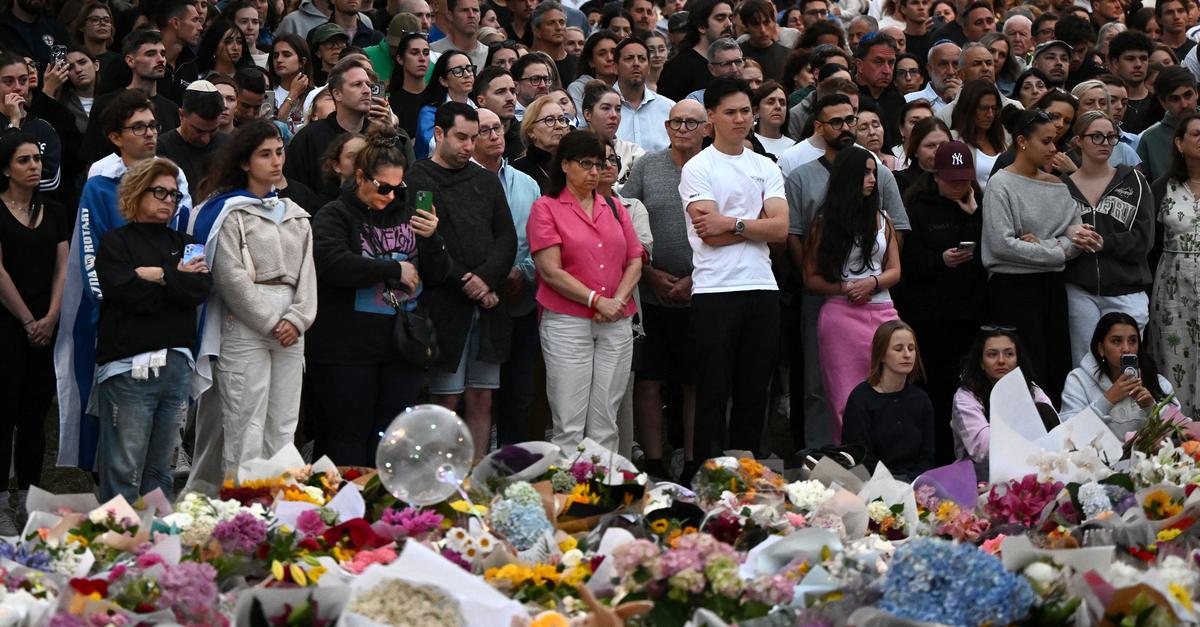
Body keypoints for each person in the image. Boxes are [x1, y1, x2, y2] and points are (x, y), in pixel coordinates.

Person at [55, 89, 192, 472]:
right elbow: (92, 261)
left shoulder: (174, 179)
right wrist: (131, 295)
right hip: (115, 321)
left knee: (159, 451)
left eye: (153, 125)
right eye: (138, 127)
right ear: (116, 137)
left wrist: (165, 282)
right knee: (117, 436)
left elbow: (187, 256)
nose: (150, 134)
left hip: (167, 324)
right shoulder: (101, 185)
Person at [307, 131, 449, 465]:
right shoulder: (334, 214)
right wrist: (392, 270)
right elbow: (331, 263)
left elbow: (439, 274)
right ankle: (350, 510)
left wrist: (431, 240)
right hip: (348, 350)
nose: (390, 195)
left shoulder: (409, 212)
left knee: (392, 437)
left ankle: (389, 512)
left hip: (403, 347)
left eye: (397, 188)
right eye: (382, 187)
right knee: (350, 435)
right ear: (359, 177)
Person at [193, 120, 316, 471]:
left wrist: (297, 319)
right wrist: (269, 321)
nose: (276, 161)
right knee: (245, 423)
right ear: (245, 163)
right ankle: (243, 511)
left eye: (279, 152)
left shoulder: (295, 215)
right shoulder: (227, 212)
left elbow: (307, 274)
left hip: (292, 324)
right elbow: (229, 275)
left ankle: (283, 506)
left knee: (283, 423)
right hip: (246, 325)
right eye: (265, 155)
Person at [680, 77, 788, 469]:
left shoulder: (765, 166)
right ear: (711, 117)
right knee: (712, 390)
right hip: (715, 290)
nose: (741, 119)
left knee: (754, 390)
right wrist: (754, 223)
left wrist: (733, 224)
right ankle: (706, 475)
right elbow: (709, 236)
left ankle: (746, 474)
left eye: (746, 111)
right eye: (731, 112)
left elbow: (779, 231)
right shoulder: (698, 167)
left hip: (762, 287)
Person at [93, 157, 210, 501]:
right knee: (123, 469)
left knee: (163, 471)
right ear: (136, 192)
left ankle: (156, 550)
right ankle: (116, 545)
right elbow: (125, 293)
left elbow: (199, 291)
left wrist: (153, 275)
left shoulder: (187, 240)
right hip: (128, 368)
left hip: (175, 368)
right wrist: (173, 277)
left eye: (174, 195)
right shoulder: (115, 242)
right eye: (160, 192)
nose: (168, 200)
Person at [406, 103, 517, 460]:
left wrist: (485, 279)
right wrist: (466, 281)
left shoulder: (485, 179)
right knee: (445, 399)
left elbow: (506, 238)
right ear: (439, 134)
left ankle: (476, 475)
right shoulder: (419, 178)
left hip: (487, 303)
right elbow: (424, 241)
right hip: (444, 305)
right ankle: (440, 476)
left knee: (482, 395)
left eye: (475, 137)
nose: (470, 146)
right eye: (462, 137)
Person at [528, 130, 642, 452]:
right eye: (586, 164)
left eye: (600, 164)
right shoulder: (546, 207)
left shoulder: (615, 207)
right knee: (569, 423)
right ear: (564, 165)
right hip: (567, 322)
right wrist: (596, 300)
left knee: (606, 421)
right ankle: (569, 498)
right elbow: (550, 270)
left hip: (616, 319)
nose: (595, 172)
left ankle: (601, 496)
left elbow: (635, 259)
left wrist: (616, 301)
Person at [981, 109, 1103, 405]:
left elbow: (1075, 237)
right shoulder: (1001, 184)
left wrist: (1047, 247)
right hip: (1012, 290)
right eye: (1047, 141)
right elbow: (1001, 245)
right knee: (1021, 371)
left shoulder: (1059, 186)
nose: (1053, 149)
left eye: (1055, 142)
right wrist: (1057, 249)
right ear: (1022, 141)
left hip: (1052, 288)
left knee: (1055, 366)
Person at [894, 140, 985, 463]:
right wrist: (940, 260)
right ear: (935, 175)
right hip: (929, 315)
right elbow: (907, 262)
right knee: (934, 390)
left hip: (969, 312)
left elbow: (991, 252)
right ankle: (936, 456)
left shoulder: (979, 202)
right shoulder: (916, 205)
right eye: (953, 180)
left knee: (968, 389)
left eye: (965, 179)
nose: (960, 186)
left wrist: (976, 216)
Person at [803, 146, 901, 438]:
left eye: (874, 172)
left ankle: (890, 463)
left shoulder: (883, 220)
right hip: (840, 314)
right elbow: (810, 278)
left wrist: (873, 283)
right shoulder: (823, 223)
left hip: (883, 310)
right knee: (844, 398)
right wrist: (844, 287)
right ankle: (851, 462)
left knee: (889, 390)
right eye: (865, 173)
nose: (872, 179)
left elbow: (895, 270)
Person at [0, 132, 66, 533]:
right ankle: (2, 502)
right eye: (24, 160)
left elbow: (63, 267)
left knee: (35, 414)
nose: (34, 166)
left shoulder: (55, 210)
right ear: (6, 168)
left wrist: (52, 316)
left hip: (47, 322)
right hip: (9, 323)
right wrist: (27, 320)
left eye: (37, 160)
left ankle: (29, 497)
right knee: (4, 412)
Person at [471, 108, 540, 446]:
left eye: (498, 128)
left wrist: (523, 272)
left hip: (520, 300)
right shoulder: (461, 182)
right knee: (478, 396)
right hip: (475, 302)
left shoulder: (527, 184)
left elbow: (541, 240)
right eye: (485, 130)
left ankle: (513, 470)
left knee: (519, 394)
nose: (495, 135)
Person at [1062, 111, 1153, 366]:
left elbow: (1144, 240)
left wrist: (1104, 242)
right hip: (1081, 290)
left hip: (1127, 289)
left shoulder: (1134, 182)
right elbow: (1052, 231)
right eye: (1096, 137)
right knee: (1085, 366)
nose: (1105, 143)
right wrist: (1070, 234)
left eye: (1111, 137)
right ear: (1078, 140)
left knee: (1126, 366)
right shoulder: (1062, 186)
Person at [285, 57, 412, 201]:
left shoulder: (383, 135)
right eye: (357, 85)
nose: (366, 91)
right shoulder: (309, 137)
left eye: (368, 85)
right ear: (337, 94)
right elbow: (295, 190)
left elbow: (401, 189)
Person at [951, 327, 1052, 479]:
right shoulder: (966, 396)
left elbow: (1054, 430)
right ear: (981, 362)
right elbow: (984, 449)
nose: (1001, 360)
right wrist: (1028, 429)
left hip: (1031, 470)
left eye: (1009, 354)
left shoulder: (1032, 390)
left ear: (1017, 360)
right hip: (980, 476)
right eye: (992, 354)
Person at [1151, 113, 1200, 417]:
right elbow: (1149, 243)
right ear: (1179, 144)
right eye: (1195, 134)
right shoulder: (1162, 187)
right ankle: (1178, 431)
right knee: (1175, 354)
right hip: (1173, 287)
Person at [841, 320, 934, 481]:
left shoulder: (920, 399)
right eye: (898, 349)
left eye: (911, 349)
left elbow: (927, 455)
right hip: (872, 484)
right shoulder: (861, 398)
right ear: (882, 354)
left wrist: (914, 481)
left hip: (916, 485)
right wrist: (893, 482)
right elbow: (859, 456)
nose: (907, 354)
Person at [1061, 312, 1175, 438]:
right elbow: (1067, 435)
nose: (1126, 349)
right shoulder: (1078, 381)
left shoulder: (1157, 382)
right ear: (1101, 348)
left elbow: (1180, 432)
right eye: (1117, 341)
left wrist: (1151, 408)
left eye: (1133, 341)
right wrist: (1107, 399)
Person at [0, 53, 62, 193]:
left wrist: (9, 180)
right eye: (8, 81)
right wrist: (14, 123)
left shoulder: (43, 128)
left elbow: (52, 181)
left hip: (38, 208)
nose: (17, 87)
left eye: (23, 80)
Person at [157, 81, 228, 194]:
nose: (206, 139)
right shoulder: (161, 149)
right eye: (199, 131)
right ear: (181, 115)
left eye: (213, 131)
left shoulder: (230, 146)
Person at [657, 0, 734, 101]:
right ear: (701, 26)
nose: (729, 24)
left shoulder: (735, 62)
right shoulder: (678, 68)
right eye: (720, 18)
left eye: (730, 18)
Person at [614, 35, 673, 155]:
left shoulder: (669, 108)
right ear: (615, 67)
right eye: (629, 58)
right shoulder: (601, 107)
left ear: (649, 67)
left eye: (642, 59)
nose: (636, 63)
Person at [1136, 66, 1197, 182]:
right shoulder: (1150, 139)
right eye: (1175, 99)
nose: (1184, 104)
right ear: (1162, 102)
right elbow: (1142, 188)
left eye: (1188, 95)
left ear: (1197, 93)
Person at [580, 81, 643, 187]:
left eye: (618, 109)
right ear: (587, 114)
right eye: (606, 108)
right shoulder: (574, 150)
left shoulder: (632, 151)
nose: (614, 115)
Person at [416, 51, 477, 159]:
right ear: (443, 81)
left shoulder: (480, 111)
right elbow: (432, 145)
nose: (467, 75)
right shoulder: (430, 112)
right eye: (458, 71)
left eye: (469, 68)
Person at [950, 79, 1005, 187]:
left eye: (993, 108)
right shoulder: (954, 140)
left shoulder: (1001, 141)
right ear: (969, 108)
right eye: (983, 108)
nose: (990, 114)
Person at [512, 95, 570, 190]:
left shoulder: (574, 164)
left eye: (561, 119)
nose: (558, 125)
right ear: (531, 132)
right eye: (549, 120)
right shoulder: (518, 171)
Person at [893, 116, 951, 195]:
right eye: (930, 146)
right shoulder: (899, 181)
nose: (939, 151)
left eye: (944, 145)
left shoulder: (962, 177)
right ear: (915, 150)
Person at [389, 31, 431, 140]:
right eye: (414, 53)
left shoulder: (437, 97)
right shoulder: (392, 103)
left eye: (426, 53)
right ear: (400, 59)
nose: (422, 58)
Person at [269, 34, 313, 134]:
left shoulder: (316, 94)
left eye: (286, 55)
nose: (279, 60)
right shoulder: (268, 93)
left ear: (302, 62)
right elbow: (274, 130)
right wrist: (293, 94)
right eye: (275, 56)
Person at [567, 29, 619, 113]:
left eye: (614, 52)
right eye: (602, 54)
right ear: (591, 61)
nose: (610, 58)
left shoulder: (630, 86)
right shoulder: (578, 89)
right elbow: (580, 125)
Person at [753, 81, 795, 159]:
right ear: (756, 110)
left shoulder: (794, 147)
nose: (778, 107)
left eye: (782, 103)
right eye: (770, 102)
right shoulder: (746, 144)